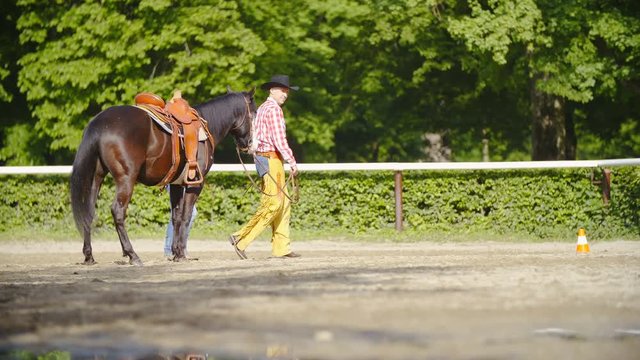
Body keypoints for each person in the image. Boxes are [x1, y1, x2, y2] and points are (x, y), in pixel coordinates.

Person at [228, 74, 300, 260]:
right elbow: (279, 140)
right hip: (271, 160)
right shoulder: (274, 110)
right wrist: (292, 161)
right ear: (272, 90)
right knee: (274, 203)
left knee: (282, 204)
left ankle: (281, 247)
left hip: (265, 159)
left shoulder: (262, 108)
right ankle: (241, 238)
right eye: (282, 91)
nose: (285, 94)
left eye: (287, 91)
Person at [164, 185, 197, 258]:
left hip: (184, 183)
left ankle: (173, 248)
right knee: (180, 214)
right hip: (179, 183)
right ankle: (173, 248)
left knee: (177, 214)